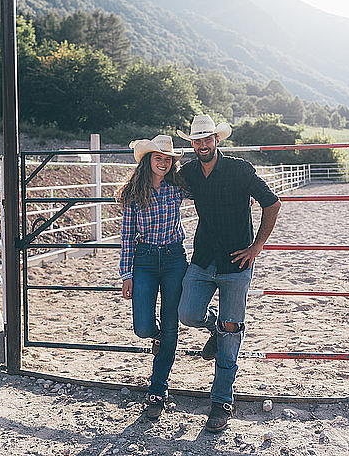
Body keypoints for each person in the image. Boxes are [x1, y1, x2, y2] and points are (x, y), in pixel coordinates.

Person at [177, 114, 281, 433]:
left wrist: (257, 246)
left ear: (217, 140)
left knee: (232, 330)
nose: (202, 145)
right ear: (192, 144)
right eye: (197, 140)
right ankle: (214, 328)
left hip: (237, 263)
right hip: (204, 258)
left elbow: (272, 203)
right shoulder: (190, 172)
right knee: (188, 313)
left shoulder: (240, 169)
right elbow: (160, 182)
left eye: (207, 139)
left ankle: (222, 400)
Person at [118, 134, 189, 420]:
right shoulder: (133, 193)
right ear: (148, 160)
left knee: (171, 324)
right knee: (142, 326)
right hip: (144, 260)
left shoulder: (178, 188)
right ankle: (158, 338)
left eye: (167, 159)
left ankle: (158, 389)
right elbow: (126, 235)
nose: (163, 162)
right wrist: (126, 273)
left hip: (174, 258)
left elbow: (212, 193)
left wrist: (239, 199)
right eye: (158, 157)